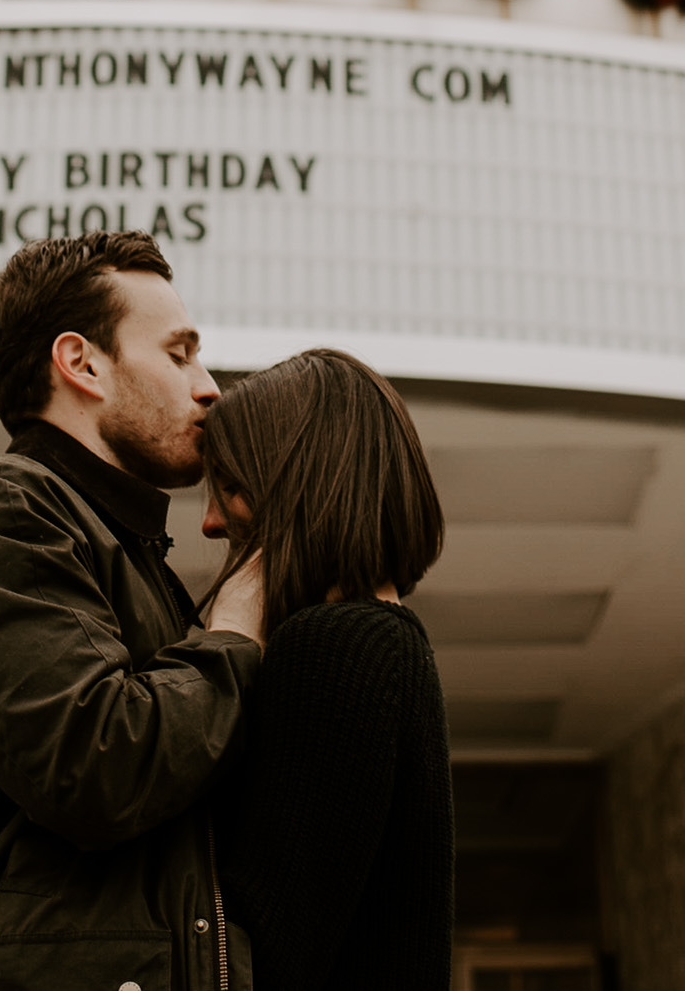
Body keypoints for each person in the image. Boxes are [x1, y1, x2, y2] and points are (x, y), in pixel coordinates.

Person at [0, 231, 268, 991]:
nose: (209, 385)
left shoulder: (128, 555)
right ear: (81, 362)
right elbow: (100, 764)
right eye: (179, 354)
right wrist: (239, 621)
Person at [198, 348, 453, 991]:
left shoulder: (337, 646)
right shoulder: (386, 640)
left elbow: (262, 951)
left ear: (299, 483)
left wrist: (225, 637)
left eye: (229, 486)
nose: (208, 520)